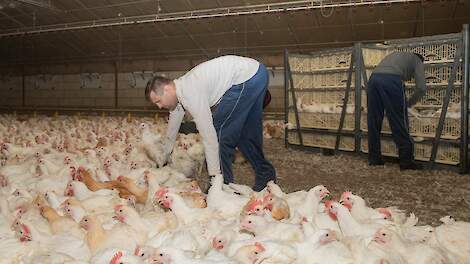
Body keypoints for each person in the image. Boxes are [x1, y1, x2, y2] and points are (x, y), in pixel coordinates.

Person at [145, 55, 276, 191]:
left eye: (158, 101)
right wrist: (164, 156)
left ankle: (221, 187)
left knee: (219, 133)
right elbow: (173, 125)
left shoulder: (191, 93)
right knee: (246, 134)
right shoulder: (180, 90)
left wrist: (214, 175)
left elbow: (209, 136)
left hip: (244, 79)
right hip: (257, 73)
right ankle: (267, 179)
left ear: (167, 89)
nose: (159, 107)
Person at [367, 52, 426, 170]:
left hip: (373, 79)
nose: (411, 77)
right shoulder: (418, 60)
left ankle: (374, 158)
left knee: (374, 120)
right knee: (399, 120)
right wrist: (408, 103)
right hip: (391, 80)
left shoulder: (398, 56)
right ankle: (406, 161)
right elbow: (421, 88)